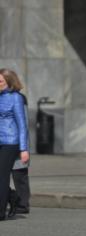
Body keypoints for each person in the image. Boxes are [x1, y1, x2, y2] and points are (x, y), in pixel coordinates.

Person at [0, 69, 29, 221]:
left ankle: (0, 211)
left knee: (2, 176)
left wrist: (24, 148)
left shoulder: (16, 98)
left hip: (10, 142)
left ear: (9, 82)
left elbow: (22, 125)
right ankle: (12, 196)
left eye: (0, 81)